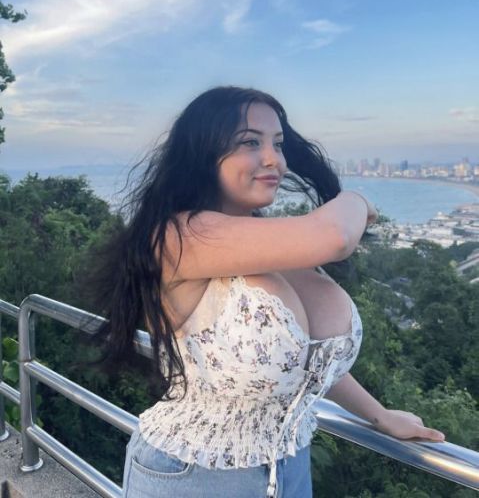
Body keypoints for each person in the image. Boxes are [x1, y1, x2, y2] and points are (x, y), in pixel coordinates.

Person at [83, 86, 445, 498]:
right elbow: (336, 236)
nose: (274, 159)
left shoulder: (267, 240)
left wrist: (378, 415)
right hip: (193, 474)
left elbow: (305, 359)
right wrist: (357, 199)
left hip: (290, 467)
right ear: (202, 153)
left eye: (278, 143)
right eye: (250, 142)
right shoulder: (179, 237)